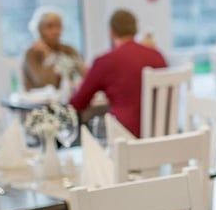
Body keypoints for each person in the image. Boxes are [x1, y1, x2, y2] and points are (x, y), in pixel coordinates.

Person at [69, 9, 167, 137]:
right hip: (162, 132)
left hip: (125, 135)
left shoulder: (105, 61)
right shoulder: (157, 56)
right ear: (135, 29)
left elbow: (78, 103)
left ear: (111, 32)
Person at [22, 8, 84, 90]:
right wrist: (49, 56)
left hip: (65, 98)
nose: (56, 31)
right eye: (50, 26)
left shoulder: (68, 50)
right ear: (39, 29)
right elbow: (44, 83)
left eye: (59, 26)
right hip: (38, 101)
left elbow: (83, 76)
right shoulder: (31, 53)